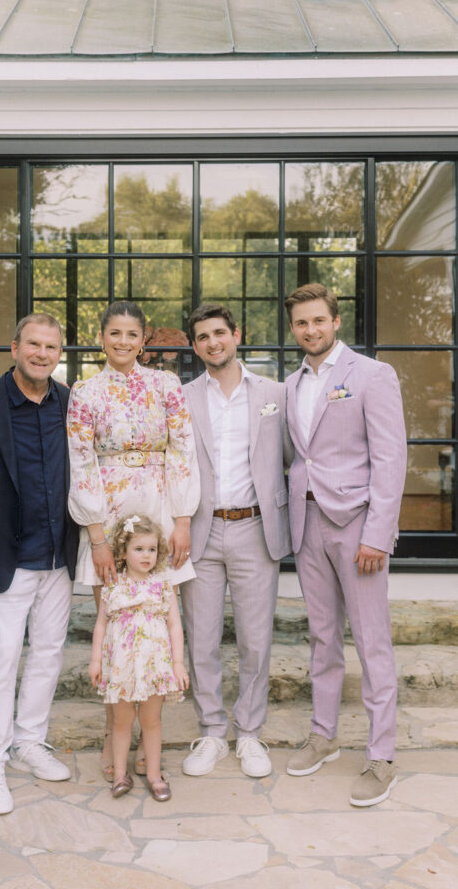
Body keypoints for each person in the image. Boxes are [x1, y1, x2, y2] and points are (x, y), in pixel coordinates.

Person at [284, 283, 407, 807]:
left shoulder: (372, 376)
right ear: (294, 330)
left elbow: (391, 458)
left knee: (372, 641)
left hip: (358, 526)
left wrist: (379, 534)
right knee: (322, 635)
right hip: (307, 524)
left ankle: (381, 756)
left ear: (336, 322)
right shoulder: (291, 385)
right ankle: (323, 735)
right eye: (300, 323)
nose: (310, 330)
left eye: (318, 320)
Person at [67, 300, 200, 780]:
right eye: (114, 333)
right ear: (101, 336)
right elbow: (80, 462)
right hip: (108, 513)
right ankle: (114, 735)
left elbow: (183, 448)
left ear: (143, 340)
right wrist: (98, 536)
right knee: (118, 631)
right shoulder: (84, 392)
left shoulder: (167, 385)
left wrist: (181, 519)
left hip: (160, 511)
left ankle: (152, 740)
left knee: (160, 627)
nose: (123, 342)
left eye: (132, 334)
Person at [0, 313, 79, 815]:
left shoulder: (72, 403)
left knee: (49, 652)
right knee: (2, 655)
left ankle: (28, 741)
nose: (41, 353)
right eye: (33, 344)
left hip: (60, 553)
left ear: (59, 354)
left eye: (50, 347)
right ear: (14, 348)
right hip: (8, 552)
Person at [180, 303, 292, 779]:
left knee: (255, 639)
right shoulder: (182, 397)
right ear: (194, 345)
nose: (213, 343)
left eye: (220, 333)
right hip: (200, 532)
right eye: (203, 337)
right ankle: (210, 730)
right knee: (200, 638)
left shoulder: (274, 393)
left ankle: (248, 733)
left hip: (254, 528)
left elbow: (290, 454)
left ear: (236, 335)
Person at [89, 515, 189, 801]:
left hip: (155, 667)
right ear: (123, 551)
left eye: (152, 549)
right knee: (121, 721)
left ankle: (155, 775)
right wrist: (96, 661)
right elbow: (101, 625)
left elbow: (174, 625)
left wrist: (178, 664)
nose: (147, 556)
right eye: (139, 549)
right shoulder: (112, 584)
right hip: (121, 667)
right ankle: (121, 774)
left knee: (152, 721)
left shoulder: (162, 584)